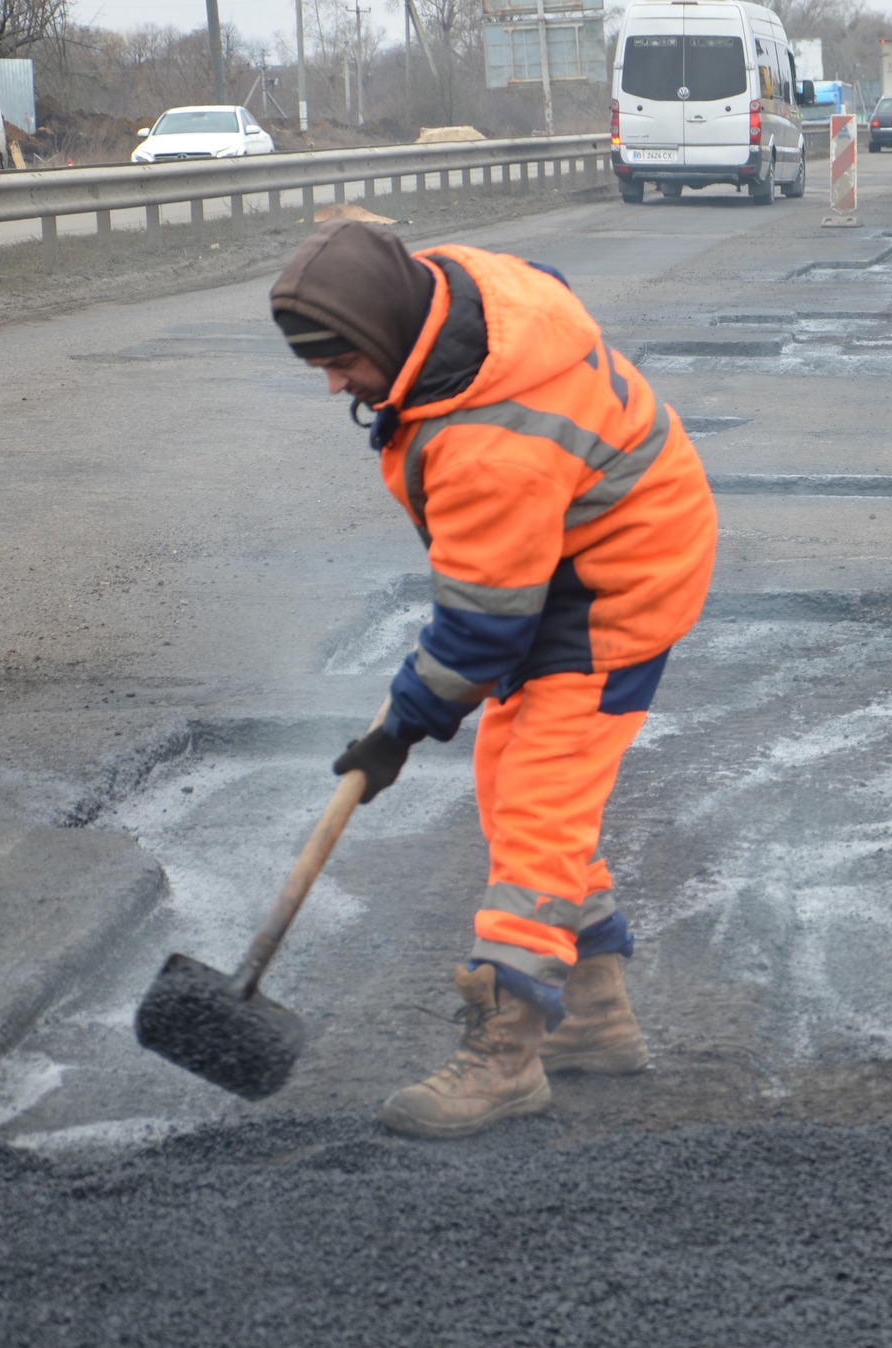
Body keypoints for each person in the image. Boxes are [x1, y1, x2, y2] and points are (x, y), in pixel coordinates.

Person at [269, 221, 718, 1139]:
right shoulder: (455, 296)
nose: (332, 383)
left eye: (342, 358)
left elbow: (481, 630)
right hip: (574, 547)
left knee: (541, 810)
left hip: (614, 584)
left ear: (388, 333)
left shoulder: (489, 440)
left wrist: (399, 729)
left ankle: (509, 1056)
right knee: (511, 788)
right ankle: (593, 1017)